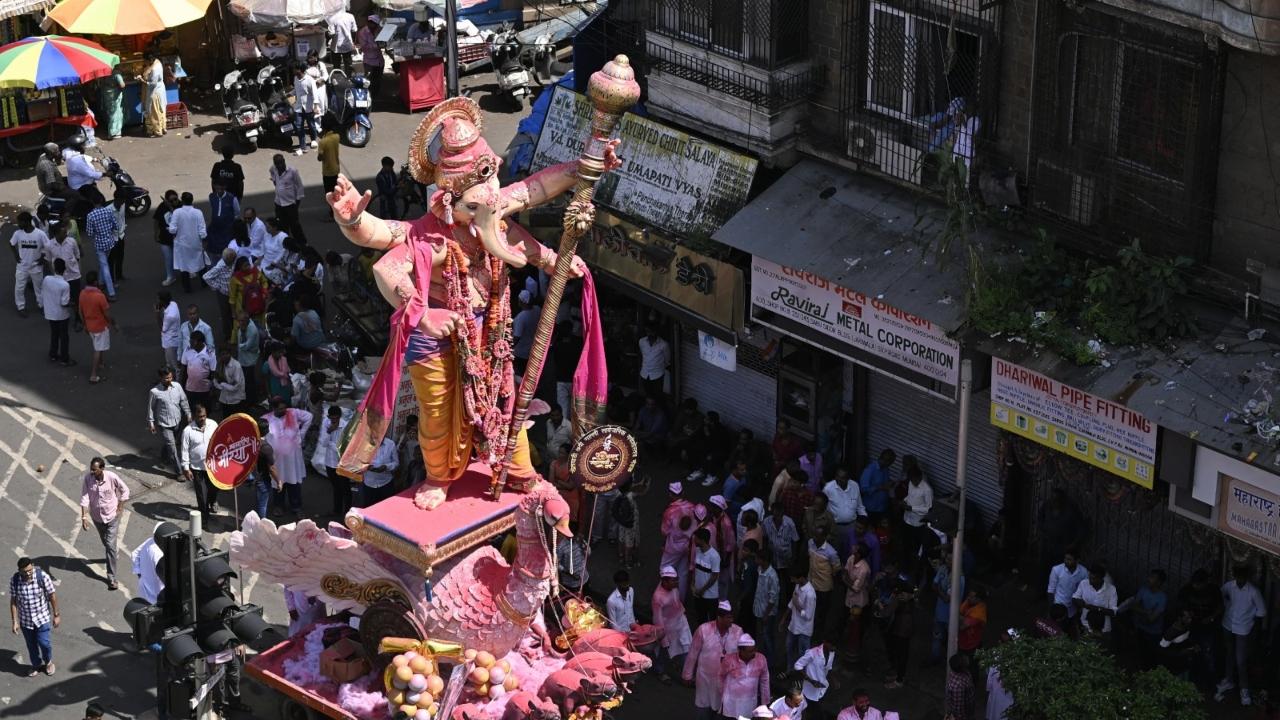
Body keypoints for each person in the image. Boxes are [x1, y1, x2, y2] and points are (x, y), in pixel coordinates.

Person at [1216, 563, 1266, 706]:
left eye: (1242, 577)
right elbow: (1220, 594)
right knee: (1229, 653)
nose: (1239, 580)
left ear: (1247, 577)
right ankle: (1228, 680)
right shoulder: (1229, 586)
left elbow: (1262, 611)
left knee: (1241, 661)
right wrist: (1227, 605)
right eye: (1238, 577)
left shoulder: (1253, 591)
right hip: (1228, 624)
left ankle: (1244, 689)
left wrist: (1250, 620)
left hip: (1243, 629)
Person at [683, 601, 743, 720]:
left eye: (732, 617)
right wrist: (687, 674)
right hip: (705, 680)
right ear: (719, 618)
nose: (731, 621)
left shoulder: (737, 632)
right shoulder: (703, 630)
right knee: (703, 711)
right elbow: (693, 654)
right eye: (728, 618)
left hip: (727, 682)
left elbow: (741, 657)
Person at [79, 457, 129, 590]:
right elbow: (84, 498)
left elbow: (125, 491)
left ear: (102, 468)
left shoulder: (112, 477)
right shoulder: (88, 479)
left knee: (110, 546)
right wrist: (84, 517)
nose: (92, 472)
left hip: (112, 516)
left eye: (94, 470)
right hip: (97, 518)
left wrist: (120, 506)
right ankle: (112, 554)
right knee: (106, 542)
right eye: (91, 469)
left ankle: (111, 577)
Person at [262, 397, 314, 516]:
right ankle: (278, 506)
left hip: (293, 458)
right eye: (280, 408)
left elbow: (309, 417)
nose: (284, 410)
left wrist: (302, 433)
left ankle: (296, 507)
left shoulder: (294, 413)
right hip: (277, 459)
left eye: (284, 407)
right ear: (273, 408)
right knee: (277, 481)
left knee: (293, 481)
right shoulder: (267, 419)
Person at [9, 557, 59, 676]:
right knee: (31, 646)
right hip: (26, 621)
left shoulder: (42, 577)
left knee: (44, 643)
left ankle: (48, 662)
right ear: (19, 570)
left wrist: (56, 615)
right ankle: (36, 665)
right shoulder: (15, 580)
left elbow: (52, 595)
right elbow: (14, 602)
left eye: (30, 570)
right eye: (24, 571)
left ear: (33, 566)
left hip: (42, 618)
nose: (28, 574)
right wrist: (14, 621)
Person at [148, 365, 190, 480]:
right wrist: (151, 422)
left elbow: (183, 400)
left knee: (172, 443)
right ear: (160, 378)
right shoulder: (155, 391)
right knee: (172, 447)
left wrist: (188, 414)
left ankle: (164, 456)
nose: (169, 380)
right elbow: (151, 408)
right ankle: (179, 472)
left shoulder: (177, 386)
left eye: (171, 377)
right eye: (166, 378)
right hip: (164, 423)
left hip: (177, 421)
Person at [652, 565, 692, 681]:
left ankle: (685, 673)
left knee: (686, 647)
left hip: (680, 623)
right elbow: (657, 619)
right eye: (673, 580)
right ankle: (660, 671)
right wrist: (663, 638)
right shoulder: (658, 598)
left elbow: (677, 602)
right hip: (668, 630)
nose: (676, 582)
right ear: (665, 581)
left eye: (676, 580)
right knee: (665, 652)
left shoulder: (673, 588)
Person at [180, 404, 218, 523]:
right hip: (197, 469)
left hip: (213, 467)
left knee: (214, 489)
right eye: (200, 416)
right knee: (202, 495)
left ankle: (212, 502)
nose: (202, 419)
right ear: (194, 416)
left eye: (204, 416)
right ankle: (204, 518)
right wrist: (186, 468)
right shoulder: (187, 431)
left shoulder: (213, 425)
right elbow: (184, 450)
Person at [720, 634, 770, 720]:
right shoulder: (729, 660)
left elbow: (764, 681)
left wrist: (765, 702)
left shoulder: (761, 659)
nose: (753, 653)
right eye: (750, 651)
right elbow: (720, 676)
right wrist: (722, 696)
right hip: (731, 703)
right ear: (740, 651)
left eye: (754, 650)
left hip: (750, 703)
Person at [312, 405, 350, 517]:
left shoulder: (345, 425)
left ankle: (348, 513)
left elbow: (344, 446)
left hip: (341, 463)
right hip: (330, 462)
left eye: (336, 418)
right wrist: (329, 432)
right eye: (331, 418)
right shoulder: (326, 423)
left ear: (339, 417)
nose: (333, 421)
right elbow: (323, 443)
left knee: (346, 489)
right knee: (336, 487)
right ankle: (337, 510)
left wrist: (333, 445)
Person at [168, 192, 207, 292]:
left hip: (182, 244)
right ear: (192, 200)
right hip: (195, 242)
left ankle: (187, 289)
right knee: (200, 263)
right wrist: (203, 240)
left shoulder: (177, 212)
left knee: (184, 266)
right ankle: (204, 284)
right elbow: (202, 231)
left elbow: (172, 229)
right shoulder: (198, 212)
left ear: (182, 200)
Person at [78, 271, 113, 383]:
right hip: (100, 326)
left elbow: (80, 311)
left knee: (98, 345)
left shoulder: (82, 293)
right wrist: (114, 324)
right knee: (97, 349)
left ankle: (101, 363)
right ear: (96, 282)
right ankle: (93, 374)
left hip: (90, 326)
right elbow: (107, 314)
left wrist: (84, 324)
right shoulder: (100, 296)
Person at [11, 211, 46, 316]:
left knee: (39, 288)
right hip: (22, 267)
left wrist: (43, 257)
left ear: (26, 222)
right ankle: (21, 307)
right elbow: (11, 243)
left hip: (36, 266)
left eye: (20, 222)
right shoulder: (17, 234)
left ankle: (41, 305)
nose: (18, 224)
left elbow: (48, 246)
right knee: (19, 288)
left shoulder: (40, 234)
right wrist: (16, 255)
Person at [882, 579, 916, 689]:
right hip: (905, 629)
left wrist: (880, 606)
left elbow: (887, 612)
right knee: (902, 654)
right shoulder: (910, 599)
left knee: (901, 655)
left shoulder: (900, 599)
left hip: (901, 631)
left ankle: (899, 680)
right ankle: (899, 676)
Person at [782, 566, 816, 668]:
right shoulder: (798, 586)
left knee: (803, 654)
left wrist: (798, 607)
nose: (792, 581)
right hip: (794, 625)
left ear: (801, 578)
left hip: (804, 629)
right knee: (789, 647)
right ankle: (790, 669)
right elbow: (792, 602)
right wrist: (784, 618)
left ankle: (804, 677)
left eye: (794, 578)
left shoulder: (810, 594)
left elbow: (808, 616)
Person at [41, 258, 73, 366]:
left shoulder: (47, 279)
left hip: (50, 313)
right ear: (64, 269)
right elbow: (64, 303)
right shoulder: (65, 285)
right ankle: (65, 358)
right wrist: (72, 304)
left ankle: (53, 354)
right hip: (61, 315)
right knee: (64, 337)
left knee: (54, 334)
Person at [1132, 569, 1168, 663]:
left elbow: (1152, 619)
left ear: (1159, 582)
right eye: (1150, 576)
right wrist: (1147, 612)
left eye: (1152, 578)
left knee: (1151, 658)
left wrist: (1140, 612)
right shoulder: (1143, 589)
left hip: (1153, 633)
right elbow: (1134, 606)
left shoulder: (1162, 598)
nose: (1149, 579)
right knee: (1140, 654)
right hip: (1140, 628)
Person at [792, 639, 835, 716]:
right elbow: (797, 665)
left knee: (816, 711)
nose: (834, 648)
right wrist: (811, 681)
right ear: (825, 642)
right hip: (809, 690)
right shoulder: (812, 653)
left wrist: (834, 679)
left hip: (823, 687)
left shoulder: (832, 652)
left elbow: (829, 667)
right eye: (832, 645)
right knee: (808, 710)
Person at [844, 542, 872, 658]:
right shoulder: (851, 558)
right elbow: (846, 571)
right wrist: (847, 580)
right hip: (849, 597)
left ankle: (855, 649)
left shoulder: (864, 569)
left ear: (859, 554)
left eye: (856, 548)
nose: (853, 548)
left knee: (856, 625)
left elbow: (856, 588)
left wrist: (846, 580)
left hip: (858, 601)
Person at [752, 549, 780, 666]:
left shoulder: (772, 576)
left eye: (757, 558)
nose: (755, 560)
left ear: (763, 560)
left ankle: (770, 662)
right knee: (762, 635)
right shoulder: (760, 570)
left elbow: (773, 598)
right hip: (758, 609)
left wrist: (766, 614)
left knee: (767, 636)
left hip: (767, 613)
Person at [763, 502, 800, 588]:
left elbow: (795, 541)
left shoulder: (789, 523)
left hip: (786, 557)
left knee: (788, 581)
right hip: (773, 557)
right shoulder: (766, 522)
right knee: (774, 581)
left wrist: (793, 558)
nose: (777, 518)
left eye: (779, 515)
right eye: (775, 515)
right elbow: (764, 538)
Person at [270, 155, 305, 241]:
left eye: (281, 162)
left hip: (290, 204)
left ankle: (302, 244)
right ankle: (286, 243)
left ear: (284, 161)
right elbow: (271, 172)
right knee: (282, 225)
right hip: (278, 204)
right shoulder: (273, 169)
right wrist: (274, 180)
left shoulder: (292, 171)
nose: (280, 165)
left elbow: (299, 186)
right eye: (277, 164)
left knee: (295, 226)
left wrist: (297, 201)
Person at [1046, 551, 1088, 622]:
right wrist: (1052, 608)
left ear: (1077, 560)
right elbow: (1050, 590)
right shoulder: (1056, 569)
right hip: (1058, 606)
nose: (1066, 561)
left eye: (1069, 559)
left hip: (1072, 608)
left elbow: (1084, 590)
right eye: (1065, 558)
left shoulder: (1083, 572)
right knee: (1054, 628)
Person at [358, 436, 398, 508]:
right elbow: (358, 461)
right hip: (369, 483)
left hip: (386, 483)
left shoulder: (390, 444)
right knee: (369, 509)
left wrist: (386, 467)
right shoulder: (365, 443)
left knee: (386, 509)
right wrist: (367, 466)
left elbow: (396, 463)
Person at [692, 528, 722, 622]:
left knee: (712, 621)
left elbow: (714, 576)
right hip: (698, 593)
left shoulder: (714, 556)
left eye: (696, 538)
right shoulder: (697, 551)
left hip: (710, 596)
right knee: (701, 618)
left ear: (702, 540)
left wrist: (702, 590)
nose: (694, 540)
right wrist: (692, 584)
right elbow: (695, 569)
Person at [181, 330, 216, 411]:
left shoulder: (210, 352)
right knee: (191, 411)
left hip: (204, 390)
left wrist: (212, 389)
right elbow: (183, 369)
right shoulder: (187, 350)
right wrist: (181, 387)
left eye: (192, 341)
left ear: (200, 342)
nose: (190, 342)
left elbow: (213, 372)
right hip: (190, 389)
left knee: (205, 411)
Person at [858, 450, 895, 521]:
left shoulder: (886, 469)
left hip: (882, 508)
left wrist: (890, 483)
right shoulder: (870, 469)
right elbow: (863, 489)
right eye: (891, 462)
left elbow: (885, 483)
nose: (891, 465)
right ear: (886, 461)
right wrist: (880, 487)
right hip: (870, 509)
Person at [957, 587, 988, 671]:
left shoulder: (979, 612)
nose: (968, 598)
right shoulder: (969, 602)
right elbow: (959, 612)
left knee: (972, 667)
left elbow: (962, 626)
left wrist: (959, 617)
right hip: (963, 641)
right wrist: (961, 618)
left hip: (971, 645)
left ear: (978, 599)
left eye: (971, 597)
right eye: (969, 596)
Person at [66, 142, 105, 207]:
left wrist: (96, 159)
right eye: (83, 145)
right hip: (81, 186)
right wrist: (106, 174)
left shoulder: (76, 156)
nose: (85, 147)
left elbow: (85, 157)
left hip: (85, 181)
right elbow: (91, 174)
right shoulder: (77, 162)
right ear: (78, 147)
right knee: (99, 199)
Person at [291, 65, 319, 155]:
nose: (293, 70)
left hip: (308, 106)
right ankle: (303, 147)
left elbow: (315, 93)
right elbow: (296, 90)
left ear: (300, 70)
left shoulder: (309, 79)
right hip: (299, 107)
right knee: (299, 127)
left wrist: (315, 106)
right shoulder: (295, 78)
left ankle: (314, 139)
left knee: (311, 125)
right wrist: (289, 94)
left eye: (295, 68)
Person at [207, 182, 240, 258]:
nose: (219, 191)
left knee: (226, 252)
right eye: (217, 188)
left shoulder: (232, 198)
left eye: (221, 189)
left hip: (227, 231)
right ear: (215, 187)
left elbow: (237, 212)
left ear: (225, 187)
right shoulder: (211, 196)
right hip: (215, 229)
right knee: (214, 252)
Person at [154, 189, 179, 286]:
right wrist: (155, 233)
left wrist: (171, 207)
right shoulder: (162, 207)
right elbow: (156, 220)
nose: (174, 202)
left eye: (175, 199)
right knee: (168, 258)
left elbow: (180, 218)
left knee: (182, 256)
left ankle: (188, 271)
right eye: (171, 201)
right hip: (165, 238)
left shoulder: (181, 206)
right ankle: (170, 276)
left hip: (178, 238)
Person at [212, 346, 246, 418]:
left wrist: (222, 384)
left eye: (226, 354)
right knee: (226, 419)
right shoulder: (220, 364)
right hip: (225, 398)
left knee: (235, 420)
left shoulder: (236, 366)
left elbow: (235, 387)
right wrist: (222, 384)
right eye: (222, 354)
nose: (224, 356)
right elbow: (215, 381)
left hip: (235, 399)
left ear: (230, 354)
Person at [556, 520, 588, 594]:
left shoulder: (580, 540)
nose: (573, 536)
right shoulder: (561, 546)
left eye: (575, 533)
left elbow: (588, 553)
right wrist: (570, 574)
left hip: (584, 577)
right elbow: (557, 563)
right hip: (571, 583)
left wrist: (582, 544)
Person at [638, 325, 669, 399]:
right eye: (648, 332)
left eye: (652, 332)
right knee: (646, 395)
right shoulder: (642, 341)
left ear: (656, 332)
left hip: (657, 374)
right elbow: (642, 354)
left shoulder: (663, 345)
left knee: (657, 395)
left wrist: (660, 367)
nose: (650, 334)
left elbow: (667, 359)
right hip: (644, 373)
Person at [357, 15, 385, 98]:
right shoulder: (362, 32)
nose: (374, 27)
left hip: (379, 60)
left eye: (376, 25)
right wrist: (377, 45)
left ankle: (376, 96)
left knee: (378, 80)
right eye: (372, 24)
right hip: (369, 61)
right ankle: (367, 97)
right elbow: (364, 46)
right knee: (368, 81)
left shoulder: (378, 30)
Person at [317, 116, 341, 212]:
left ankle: (333, 213)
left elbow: (320, 158)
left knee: (329, 193)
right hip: (336, 169)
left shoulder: (323, 142)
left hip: (327, 171)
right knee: (336, 191)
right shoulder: (337, 137)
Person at [140, 52, 166, 137]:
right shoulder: (157, 62)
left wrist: (143, 81)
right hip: (158, 90)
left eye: (145, 60)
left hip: (154, 91)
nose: (144, 62)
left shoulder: (155, 69)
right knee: (160, 110)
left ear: (149, 60)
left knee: (153, 112)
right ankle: (162, 128)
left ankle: (157, 131)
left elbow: (153, 83)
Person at [615, 479, 640, 568]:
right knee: (629, 543)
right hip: (631, 523)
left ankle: (621, 556)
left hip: (622, 521)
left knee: (621, 538)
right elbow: (641, 491)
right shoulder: (630, 496)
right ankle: (628, 561)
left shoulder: (618, 494)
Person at [945, 654, 976, 720]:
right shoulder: (958, 687)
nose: (966, 657)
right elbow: (959, 708)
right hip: (964, 712)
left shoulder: (963, 672)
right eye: (964, 659)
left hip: (969, 703)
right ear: (962, 667)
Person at [328, 8, 358, 72]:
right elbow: (354, 30)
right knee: (348, 64)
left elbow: (331, 33)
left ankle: (338, 79)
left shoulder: (332, 18)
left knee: (336, 66)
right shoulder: (350, 16)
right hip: (348, 44)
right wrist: (353, 43)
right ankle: (348, 78)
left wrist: (328, 35)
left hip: (336, 46)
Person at [157, 291, 181, 370]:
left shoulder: (169, 316)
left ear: (163, 301)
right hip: (172, 338)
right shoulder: (173, 304)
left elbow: (162, 328)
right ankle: (169, 375)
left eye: (159, 299)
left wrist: (157, 314)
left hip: (170, 342)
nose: (158, 301)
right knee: (169, 362)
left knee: (174, 365)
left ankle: (177, 380)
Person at [99, 68, 125, 139]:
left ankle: (111, 132)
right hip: (115, 96)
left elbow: (101, 84)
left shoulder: (103, 73)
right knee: (116, 113)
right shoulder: (116, 73)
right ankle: (114, 132)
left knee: (110, 113)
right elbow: (122, 85)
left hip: (107, 95)